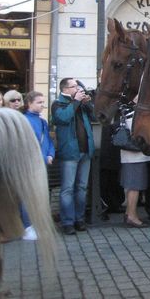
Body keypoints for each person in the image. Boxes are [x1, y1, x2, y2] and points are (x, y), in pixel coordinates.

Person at [52, 78, 94, 235]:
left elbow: (96, 117)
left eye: (77, 86)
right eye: (74, 86)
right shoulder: (58, 104)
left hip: (85, 151)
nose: (77, 88)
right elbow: (62, 118)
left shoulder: (80, 103)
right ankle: (67, 222)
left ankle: (79, 219)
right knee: (68, 188)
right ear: (66, 89)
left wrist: (87, 104)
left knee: (82, 187)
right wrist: (75, 102)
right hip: (69, 153)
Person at [21, 91, 55, 240]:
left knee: (39, 195)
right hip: (29, 164)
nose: (42, 105)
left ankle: (36, 224)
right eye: (39, 102)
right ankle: (27, 226)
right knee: (28, 196)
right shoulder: (23, 120)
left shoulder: (42, 122)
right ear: (29, 103)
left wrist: (50, 154)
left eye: (43, 102)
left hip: (41, 163)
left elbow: (47, 140)